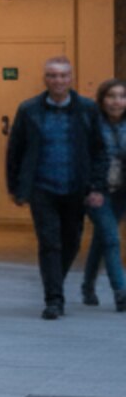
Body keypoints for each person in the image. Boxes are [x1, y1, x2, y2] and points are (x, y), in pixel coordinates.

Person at [5, 56, 105, 320]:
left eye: (62, 76)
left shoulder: (87, 109)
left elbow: (99, 151)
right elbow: (15, 149)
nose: (57, 80)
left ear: (71, 79)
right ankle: (53, 299)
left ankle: (54, 282)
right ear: (44, 79)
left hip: (76, 187)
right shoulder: (29, 110)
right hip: (43, 187)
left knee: (71, 242)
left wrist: (96, 186)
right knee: (50, 243)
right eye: (52, 75)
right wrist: (15, 187)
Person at [78, 77, 126, 312]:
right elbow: (83, 159)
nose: (117, 101)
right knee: (112, 239)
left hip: (121, 193)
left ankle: (87, 286)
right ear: (102, 99)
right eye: (111, 96)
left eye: (121, 96)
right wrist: (90, 189)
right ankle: (121, 292)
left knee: (102, 239)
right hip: (97, 192)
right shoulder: (92, 123)